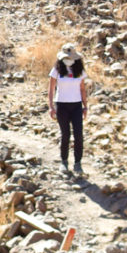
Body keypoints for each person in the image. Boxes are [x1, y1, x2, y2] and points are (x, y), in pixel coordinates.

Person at [49, 41, 88, 173]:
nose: (68, 60)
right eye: (66, 58)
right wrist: (51, 106)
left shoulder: (79, 70)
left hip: (76, 106)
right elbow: (51, 88)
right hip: (61, 105)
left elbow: (82, 89)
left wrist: (85, 106)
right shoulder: (57, 70)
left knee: (78, 135)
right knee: (65, 134)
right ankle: (64, 162)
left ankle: (78, 163)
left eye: (70, 58)